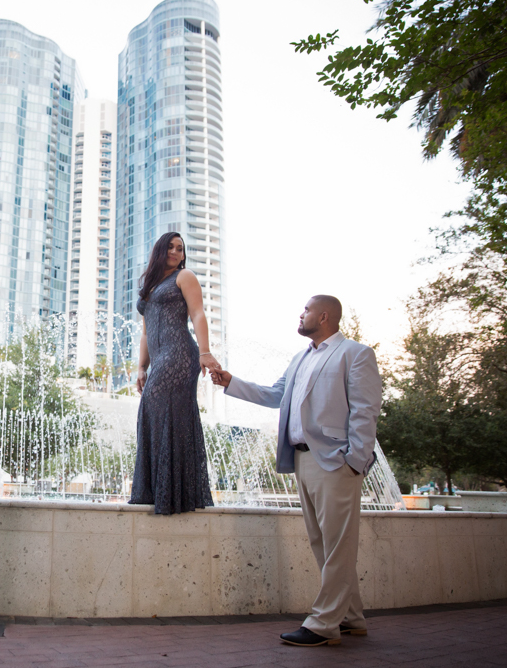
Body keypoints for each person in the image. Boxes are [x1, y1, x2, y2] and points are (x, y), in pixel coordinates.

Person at [211, 295, 382, 647]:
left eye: (305, 310)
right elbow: (276, 395)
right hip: (303, 460)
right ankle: (350, 616)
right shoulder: (299, 358)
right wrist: (230, 382)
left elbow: (366, 410)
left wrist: (355, 460)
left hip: (335, 461)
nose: (300, 315)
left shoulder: (355, 353)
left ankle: (323, 624)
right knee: (323, 542)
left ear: (323, 315)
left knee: (338, 543)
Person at [128, 232, 220, 515]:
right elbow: (145, 333)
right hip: (159, 360)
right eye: (170, 246)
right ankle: (160, 491)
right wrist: (141, 367)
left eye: (180, 248)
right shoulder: (150, 285)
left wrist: (205, 351)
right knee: (152, 413)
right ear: (159, 249)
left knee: (163, 411)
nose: (176, 251)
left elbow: (198, 314)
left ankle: (174, 494)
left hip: (180, 355)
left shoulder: (185, 276)